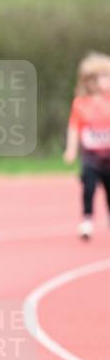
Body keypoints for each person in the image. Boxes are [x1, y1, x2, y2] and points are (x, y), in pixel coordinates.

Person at [63, 52, 110, 239]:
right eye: (103, 77)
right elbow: (74, 127)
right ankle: (87, 220)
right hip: (90, 156)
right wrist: (71, 149)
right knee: (88, 187)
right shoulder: (81, 104)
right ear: (90, 81)